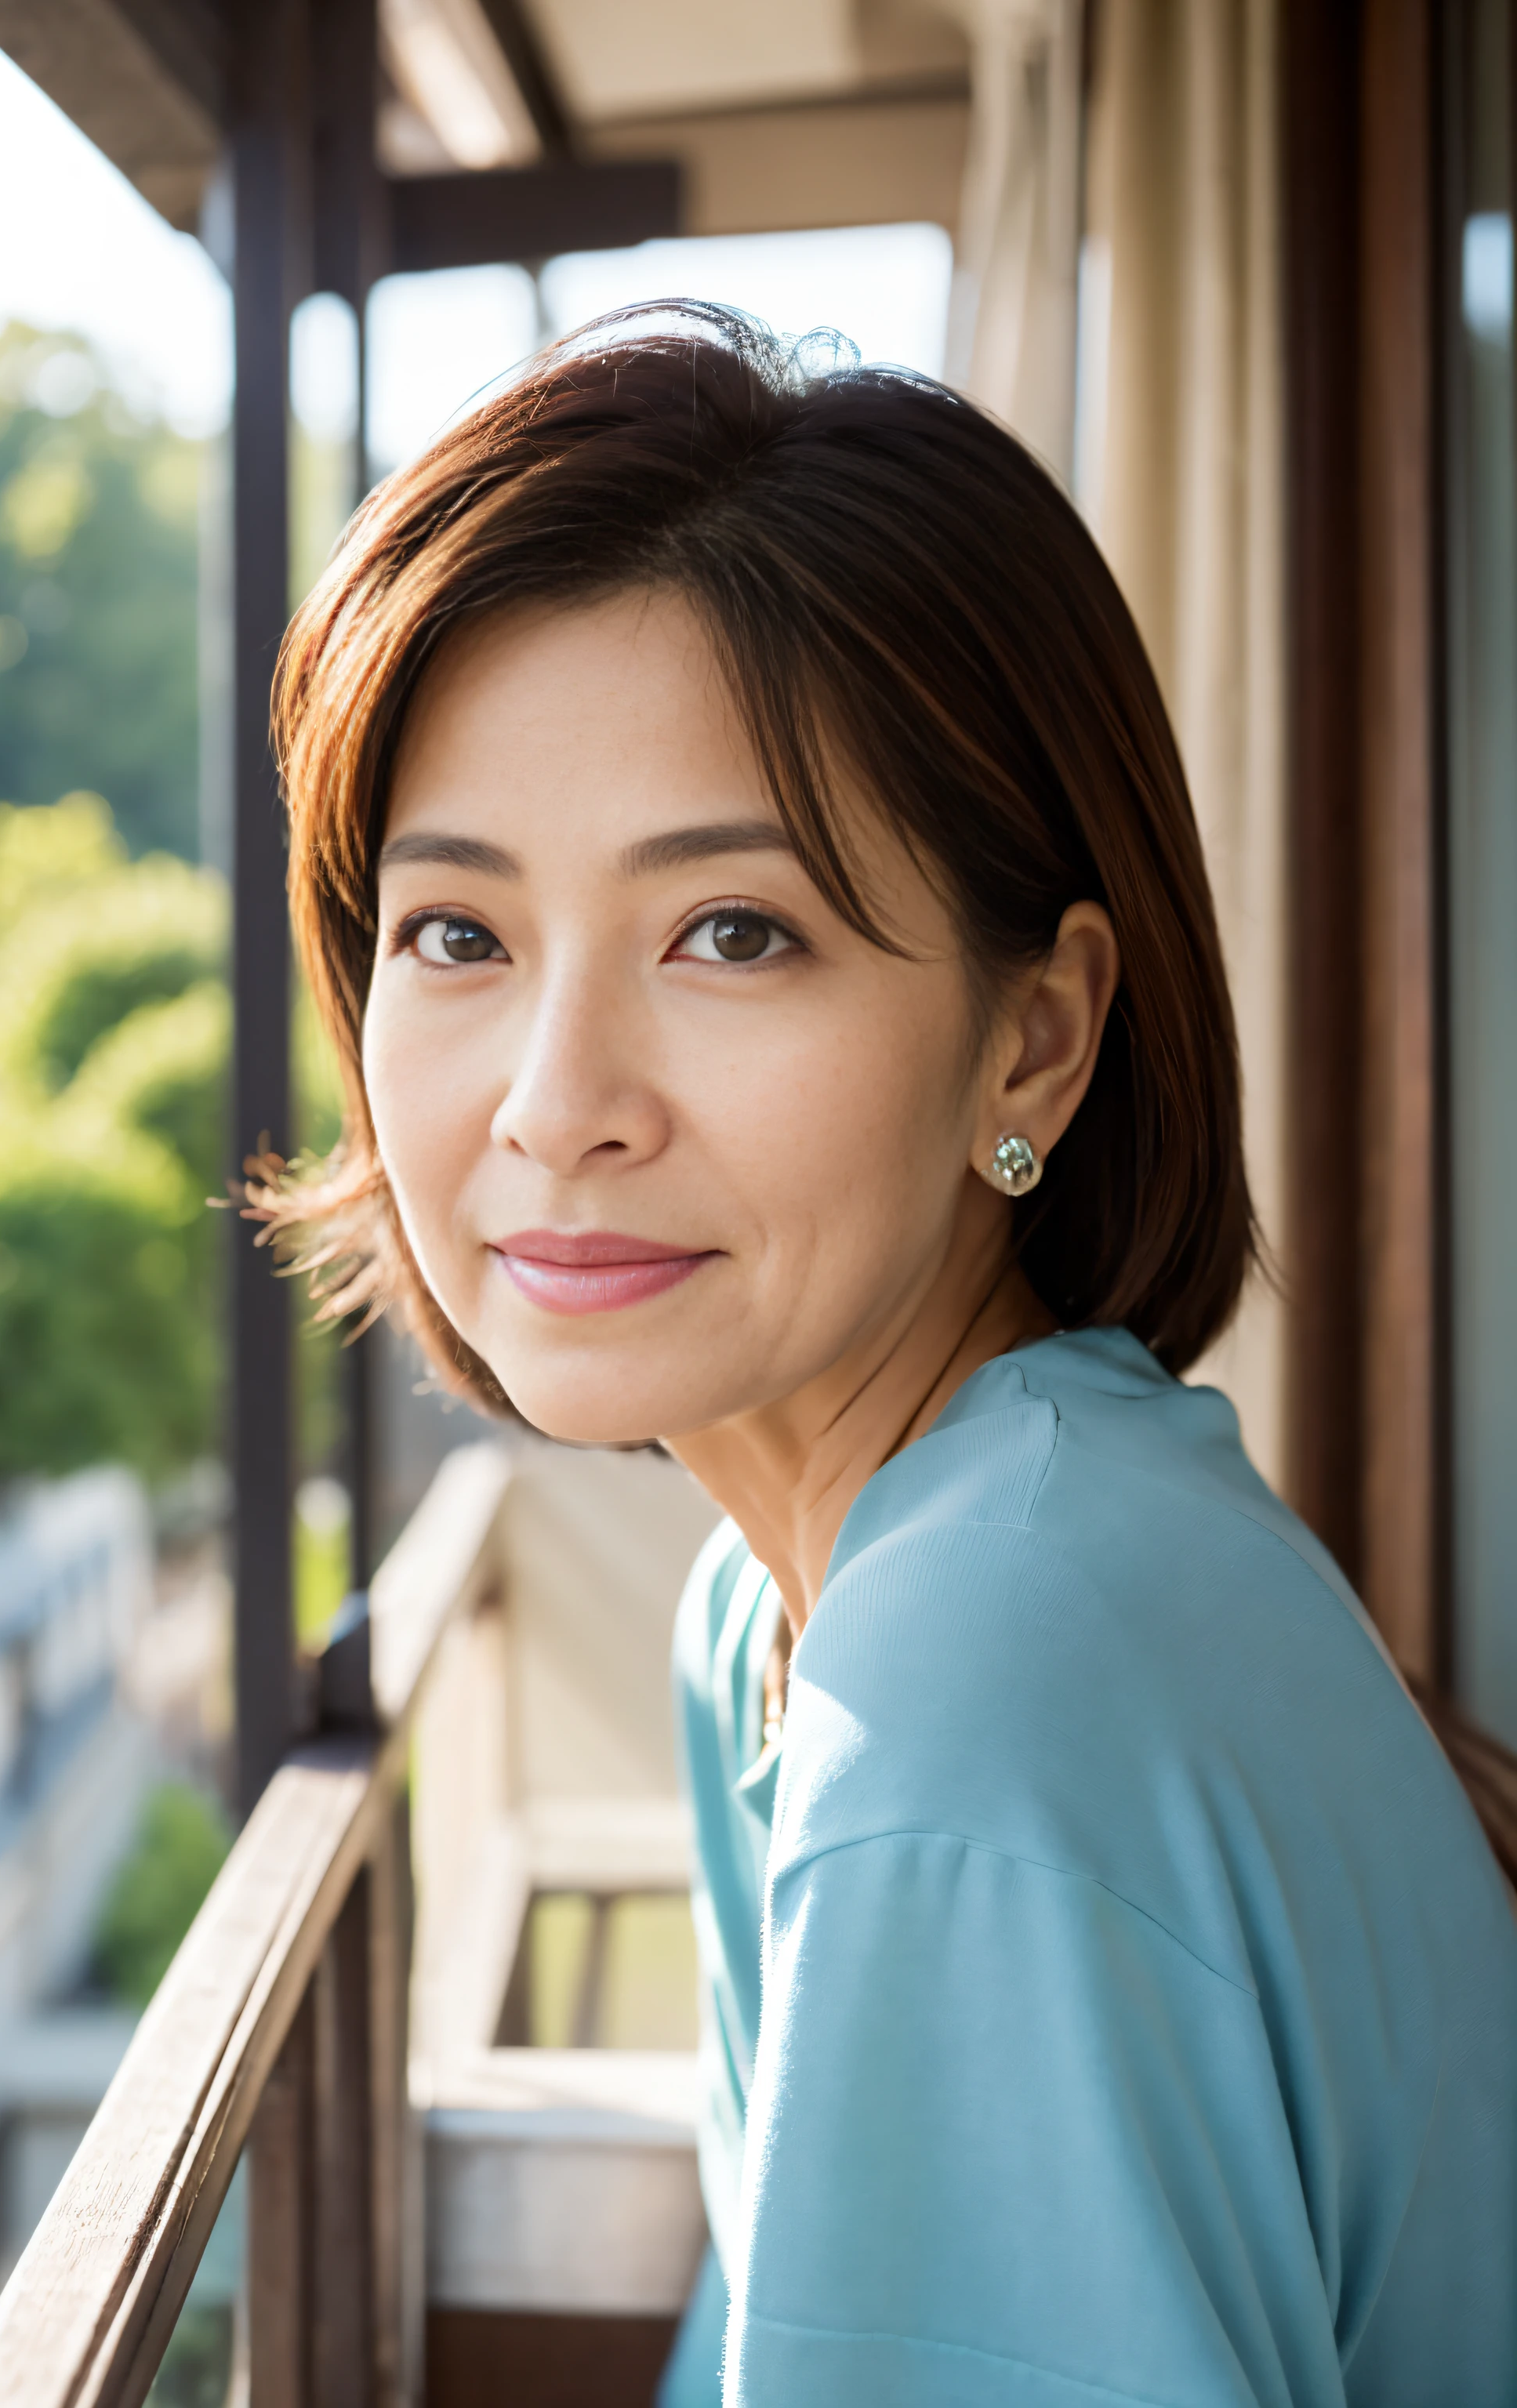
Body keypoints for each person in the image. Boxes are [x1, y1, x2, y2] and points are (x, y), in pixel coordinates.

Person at [261, 306, 1517, 2405]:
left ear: (1034, 1034)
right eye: (457, 934)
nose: (555, 1101)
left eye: (733, 932)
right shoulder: (800, 1600)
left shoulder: (984, 1675)